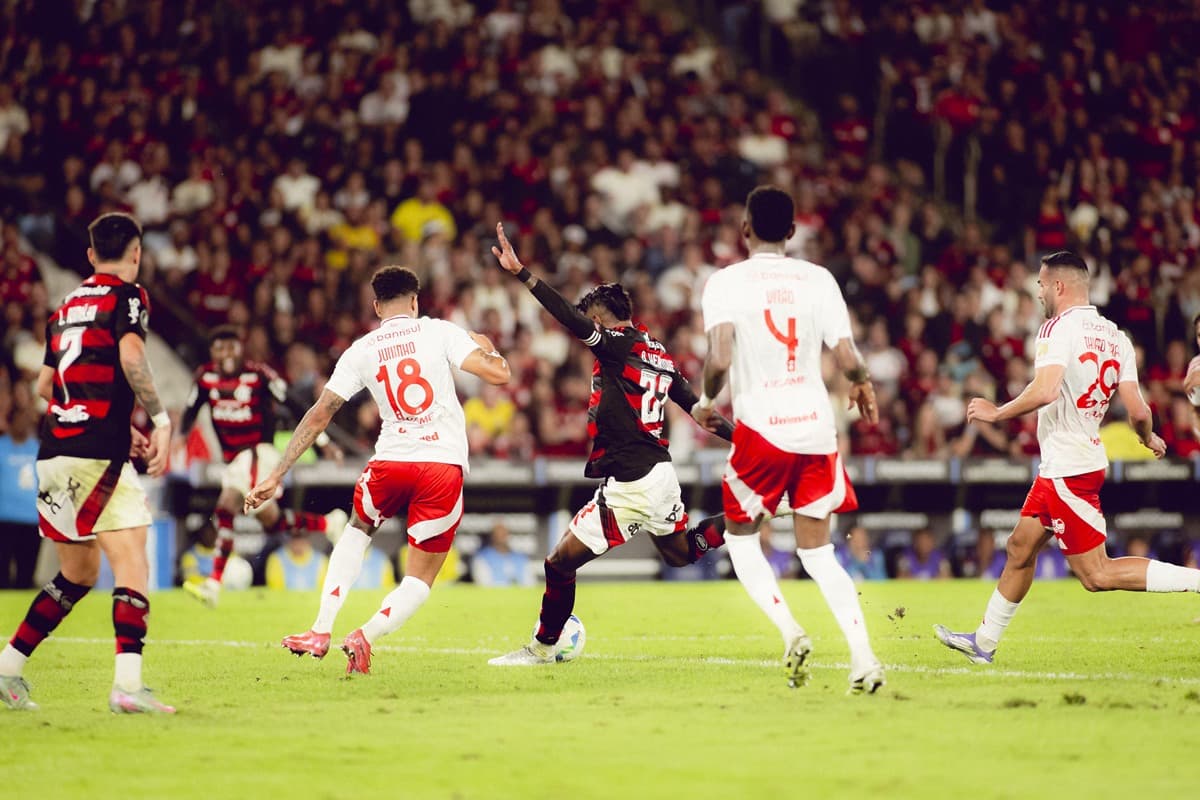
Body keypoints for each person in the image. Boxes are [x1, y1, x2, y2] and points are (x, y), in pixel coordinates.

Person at [934, 251, 1200, 665]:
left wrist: (997, 412)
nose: (1038, 291)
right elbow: (1139, 411)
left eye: (1040, 284)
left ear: (1058, 286)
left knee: (1096, 574)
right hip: (1072, 462)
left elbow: (1045, 390)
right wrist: (1149, 439)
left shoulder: (1056, 328)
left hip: (1067, 468)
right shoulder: (1116, 336)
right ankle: (983, 643)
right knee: (1020, 547)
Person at [487, 223, 734, 666]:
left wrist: (522, 273)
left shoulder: (615, 345)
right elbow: (701, 411)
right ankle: (750, 511)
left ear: (599, 320)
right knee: (680, 553)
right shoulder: (657, 352)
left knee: (559, 562)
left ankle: (541, 649)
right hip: (661, 473)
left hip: (632, 481)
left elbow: (566, 315)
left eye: (591, 322)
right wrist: (748, 443)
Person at [245, 266, 511, 675]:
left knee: (355, 531)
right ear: (415, 301)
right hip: (440, 465)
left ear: (376, 306)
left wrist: (277, 473)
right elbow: (498, 374)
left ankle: (320, 629)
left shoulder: (362, 349)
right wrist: (488, 345)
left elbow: (320, 415)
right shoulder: (438, 331)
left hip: (389, 462)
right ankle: (364, 635)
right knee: (420, 579)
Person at [692, 185, 885, 694]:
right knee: (819, 554)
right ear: (794, 232)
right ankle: (864, 657)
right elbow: (846, 356)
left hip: (763, 430)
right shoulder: (817, 279)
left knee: (739, 538)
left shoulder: (726, 282)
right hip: (816, 428)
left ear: (745, 229)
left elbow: (719, 358)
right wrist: (863, 382)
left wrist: (708, 403)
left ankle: (791, 630)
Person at [0, 212, 175, 713]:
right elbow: (132, 358)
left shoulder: (66, 305)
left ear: (91, 255)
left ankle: (8, 667)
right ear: (136, 253)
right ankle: (128, 686)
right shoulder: (130, 296)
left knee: (77, 574)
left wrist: (125, 427)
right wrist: (160, 420)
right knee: (133, 562)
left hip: (54, 454)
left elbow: (42, 387)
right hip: (97, 454)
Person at [176, 326, 346, 607]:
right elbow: (191, 410)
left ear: (241, 349)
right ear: (211, 352)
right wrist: (179, 438)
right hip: (234, 460)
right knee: (272, 521)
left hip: (259, 453)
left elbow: (292, 403)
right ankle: (329, 522)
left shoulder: (259, 375)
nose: (226, 353)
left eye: (231, 346)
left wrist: (322, 440)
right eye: (220, 348)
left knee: (225, 506)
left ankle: (214, 584)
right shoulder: (205, 378)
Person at [0, 403, 40, 588]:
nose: (24, 424)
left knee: (26, 574)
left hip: (31, 519)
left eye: (27, 420)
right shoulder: (2, 447)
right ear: (11, 422)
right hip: (5, 519)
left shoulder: (39, 448)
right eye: (20, 419)